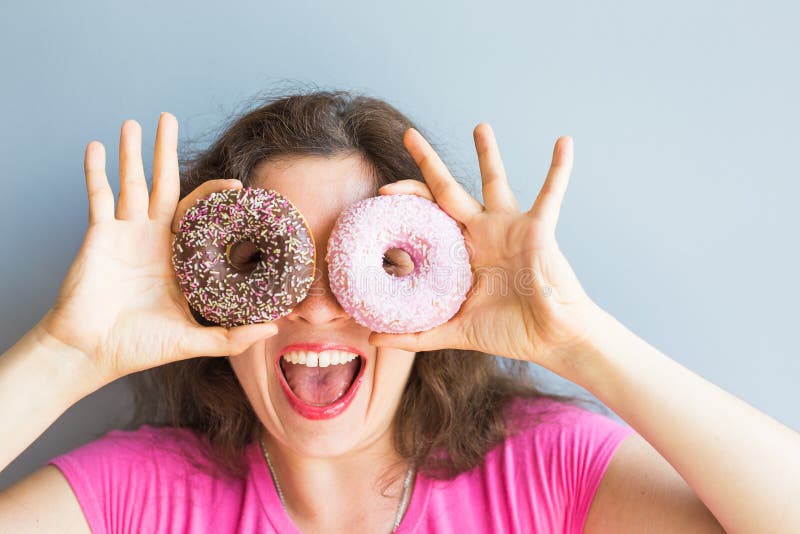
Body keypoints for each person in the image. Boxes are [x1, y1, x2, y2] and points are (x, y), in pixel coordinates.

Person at [0, 90, 797, 534]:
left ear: (437, 284)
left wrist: (579, 339)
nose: (315, 308)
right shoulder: (137, 499)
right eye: (263, 267)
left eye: (374, 264)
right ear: (207, 299)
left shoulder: (547, 475)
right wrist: (70, 355)